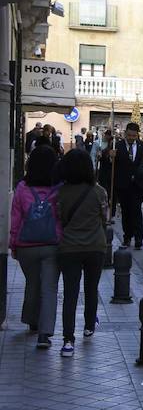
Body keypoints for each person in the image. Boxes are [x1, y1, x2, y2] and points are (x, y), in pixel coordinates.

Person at [56, 149, 108, 358]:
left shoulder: (61, 192)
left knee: (70, 293)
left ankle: (68, 340)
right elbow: (105, 218)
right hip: (95, 246)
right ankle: (89, 326)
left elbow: (59, 217)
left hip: (69, 247)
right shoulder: (99, 192)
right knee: (91, 288)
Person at [9, 145, 61, 348]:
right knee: (49, 288)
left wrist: (13, 243)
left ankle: (32, 320)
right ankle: (45, 333)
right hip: (52, 244)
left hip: (26, 245)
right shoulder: (59, 189)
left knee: (32, 283)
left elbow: (15, 218)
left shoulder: (22, 188)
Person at [111, 122, 143, 249]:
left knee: (137, 210)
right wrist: (110, 157)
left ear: (137, 135)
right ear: (125, 133)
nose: (131, 138)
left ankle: (139, 238)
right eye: (129, 135)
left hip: (138, 185)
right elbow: (109, 162)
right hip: (123, 184)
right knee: (126, 212)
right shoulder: (118, 145)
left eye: (134, 136)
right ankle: (127, 236)